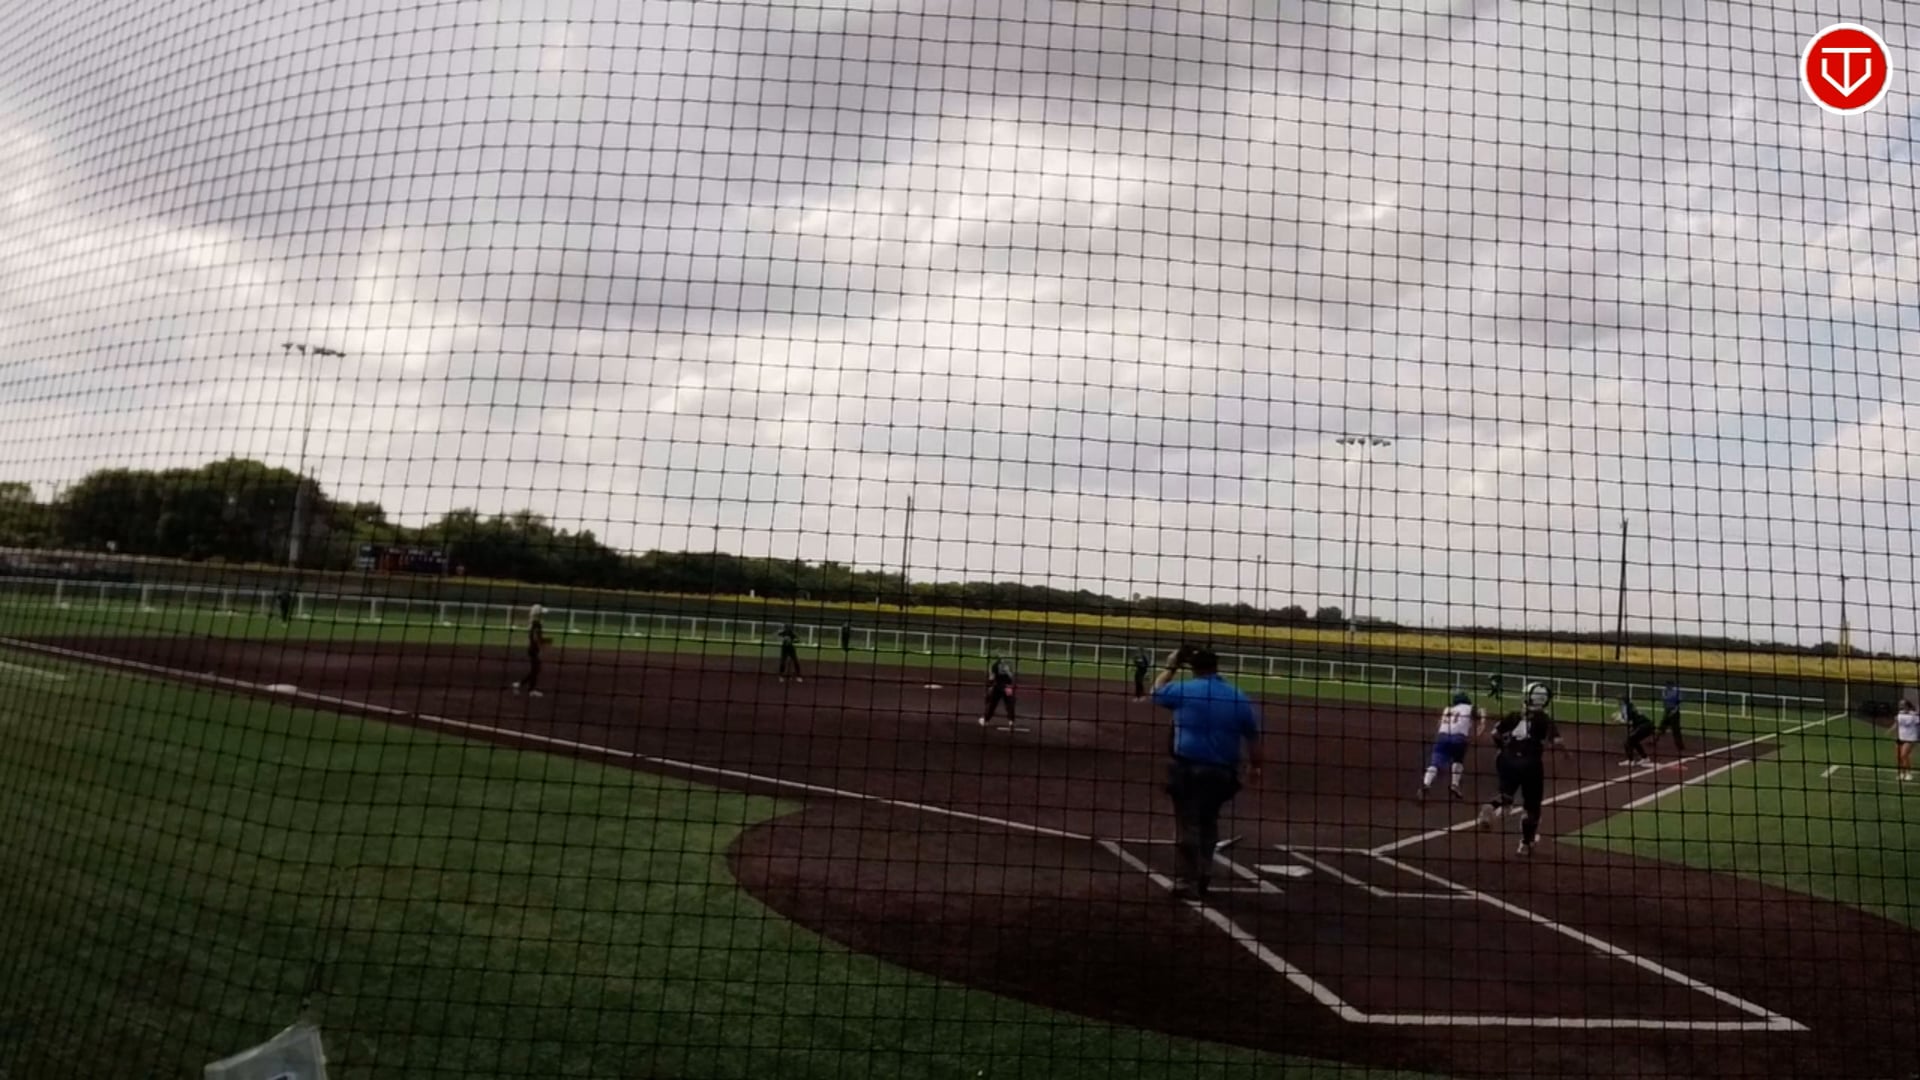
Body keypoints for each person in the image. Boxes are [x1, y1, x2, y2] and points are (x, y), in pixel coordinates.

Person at [1151, 645, 1263, 899]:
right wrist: (1255, 767)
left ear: (1192, 668)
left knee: (1188, 823)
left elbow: (1156, 691)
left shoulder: (1184, 690)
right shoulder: (1238, 696)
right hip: (1223, 774)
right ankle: (1204, 873)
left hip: (1188, 770)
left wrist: (1171, 666)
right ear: (1216, 666)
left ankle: (1187, 880)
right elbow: (1253, 738)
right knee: (1208, 820)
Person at [1475, 681, 1562, 856]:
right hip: (1531, 765)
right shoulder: (1545, 719)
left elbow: (1495, 733)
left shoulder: (1514, 715)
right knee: (1532, 807)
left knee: (1506, 795)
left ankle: (1491, 806)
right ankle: (1525, 844)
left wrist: (1502, 747)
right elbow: (1557, 742)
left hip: (1507, 760)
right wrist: (1559, 751)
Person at [1418, 691, 1482, 801]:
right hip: (1459, 738)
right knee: (1458, 760)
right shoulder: (1469, 707)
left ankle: (1426, 784)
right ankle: (1454, 784)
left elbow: (1439, 724)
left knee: (1434, 764)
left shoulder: (1448, 709)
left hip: (1442, 737)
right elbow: (1479, 715)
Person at [510, 605, 553, 697]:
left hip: (532, 649)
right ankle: (528, 689)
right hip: (534, 649)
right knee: (536, 669)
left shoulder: (533, 623)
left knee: (536, 669)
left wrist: (544, 641)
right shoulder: (536, 624)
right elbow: (536, 638)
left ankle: (520, 685)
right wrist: (544, 643)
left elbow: (534, 637)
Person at [1619, 695, 1657, 768]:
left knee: (1628, 741)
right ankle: (1645, 758)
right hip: (1647, 725)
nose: (1619, 702)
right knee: (1634, 741)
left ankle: (1631, 761)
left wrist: (1619, 720)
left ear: (1623, 701)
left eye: (1620, 700)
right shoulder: (1630, 706)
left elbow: (1628, 720)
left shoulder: (1626, 707)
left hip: (1644, 726)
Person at [980, 656, 1017, 725]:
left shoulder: (995, 665)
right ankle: (1011, 721)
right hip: (1008, 687)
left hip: (998, 687)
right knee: (1009, 704)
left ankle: (986, 720)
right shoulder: (1009, 665)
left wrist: (989, 685)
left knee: (992, 704)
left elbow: (992, 677)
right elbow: (1012, 676)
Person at [1894, 699, 1919, 783]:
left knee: (1904, 755)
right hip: (1900, 737)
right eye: (1900, 704)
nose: (1900, 705)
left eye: (1902, 704)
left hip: (1910, 738)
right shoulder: (1900, 714)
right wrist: (1892, 731)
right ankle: (1901, 773)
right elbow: (1897, 724)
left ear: (1907, 705)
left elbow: (1918, 725)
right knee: (1898, 757)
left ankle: (1908, 773)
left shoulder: (1914, 715)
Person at [1657, 682, 1685, 753]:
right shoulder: (1665, 692)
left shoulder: (1676, 692)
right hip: (1667, 711)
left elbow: (1678, 703)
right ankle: (1655, 740)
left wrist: (1674, 710)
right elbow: (1664, 701)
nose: (1667, 687)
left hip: (1674, 712)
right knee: (1662, 726)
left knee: (1676, 729)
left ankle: (1680, 745)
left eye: (1668, 686)